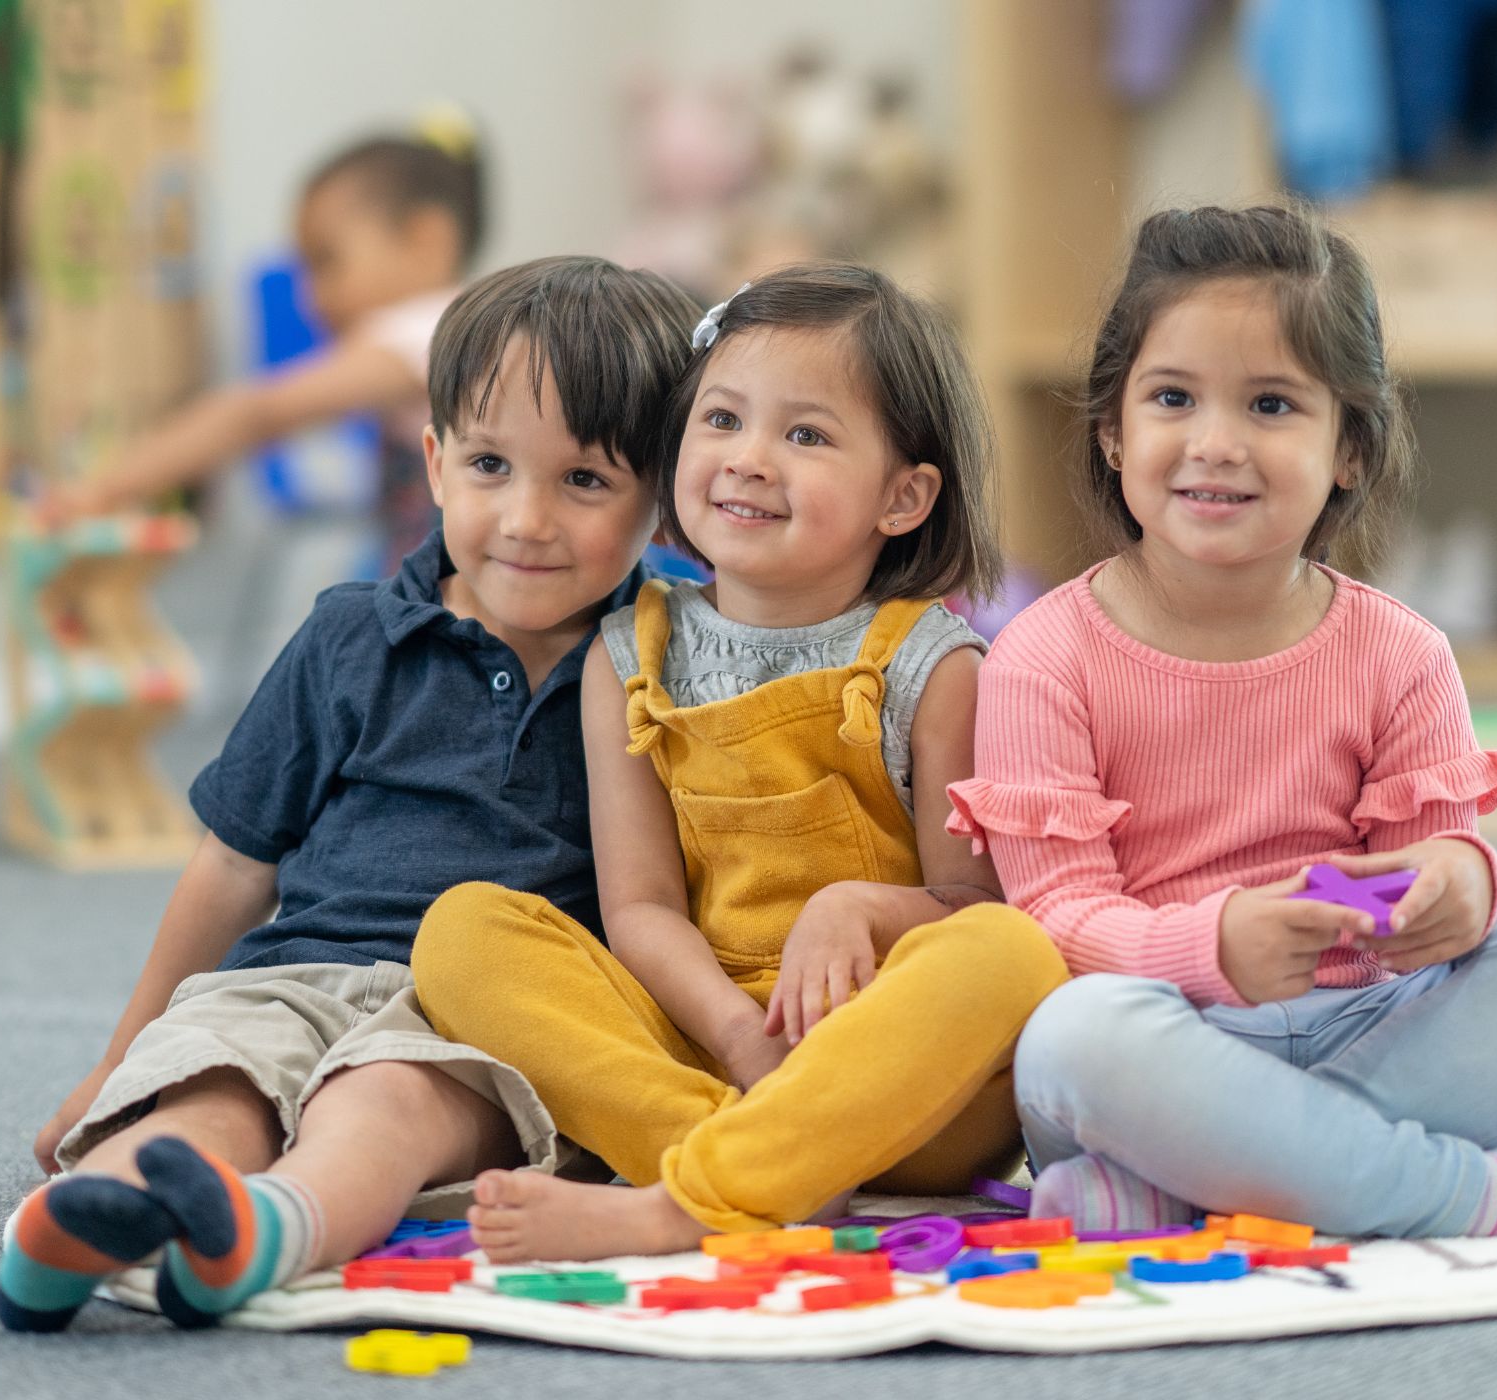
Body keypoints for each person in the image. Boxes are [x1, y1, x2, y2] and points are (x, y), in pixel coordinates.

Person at [948, 203, 1497, 1239]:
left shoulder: (1399, 649)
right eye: (1172, 397)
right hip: (1157, 1042)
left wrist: (1458, 890)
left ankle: (1201, 1188)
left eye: (1270, 404)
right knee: (1072, 1032)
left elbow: (1435, 860)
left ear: (1350, 445)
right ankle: (1463, 1196)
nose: (1216, 443)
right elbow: (1057, 921)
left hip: (1367, 1026)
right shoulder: (1045, 653)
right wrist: (1215, 944)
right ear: (1114, 431)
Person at [0, 256, 702, 1332]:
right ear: (433, 461)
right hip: (297, 971)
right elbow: (234, 861)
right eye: (491, 464)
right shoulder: (348, 636)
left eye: (586, 481)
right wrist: (117, 1057)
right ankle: (97, 1210)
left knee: (385, 1103)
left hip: (484, 1016)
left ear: (663, 498)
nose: (526, 518)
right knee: (213, 1084)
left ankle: (275, 1225)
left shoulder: (665, 655)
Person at [411, 264, 1068, 1262]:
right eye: (721, 419)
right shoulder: (628, 652)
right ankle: (757, 1162)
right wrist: (731, 1028)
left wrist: (853, 907)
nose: (748, 459)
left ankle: (691, 1196)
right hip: (716, 1045)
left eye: (804, 435)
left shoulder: (937, 665)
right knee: (465, 932)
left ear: (904, 494)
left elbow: (971, 903)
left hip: (904, 1090)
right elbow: (639, 908)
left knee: (1014, 957)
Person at [40, 124, 485, 567]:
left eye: (327, 262)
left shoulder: (422, 333)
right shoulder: (459, 327)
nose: (311, 297)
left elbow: (258, 413)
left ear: (428, 241)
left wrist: (105, 490)